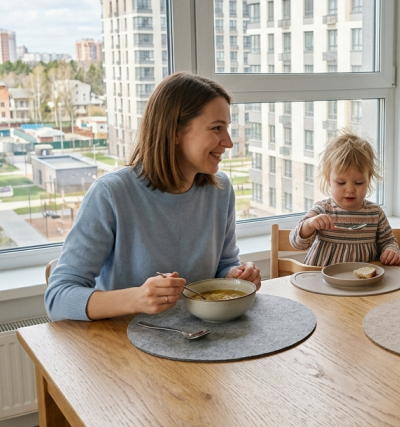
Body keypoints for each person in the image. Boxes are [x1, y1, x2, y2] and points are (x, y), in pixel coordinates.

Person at [45, 72, 261, 322]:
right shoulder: (110, 195)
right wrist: (137, 298)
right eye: (216, 128)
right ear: (175, 132)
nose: (229, 142)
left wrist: (235, 276)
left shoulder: (220, 190)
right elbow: (57, 298)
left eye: (227, 128)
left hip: (198, 337)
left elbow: (223, 265)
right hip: (124, 346)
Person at [290, 130, 400, 266]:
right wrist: (309, 225)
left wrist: (391, 251)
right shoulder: (322, 210)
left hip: (363, 282)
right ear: (328, 180)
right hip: (321, 280)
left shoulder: (375, 213)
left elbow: (388, 241)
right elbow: (297, 243)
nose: (350, 189)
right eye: (341, 183)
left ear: (369, 180)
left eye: (359, 183)